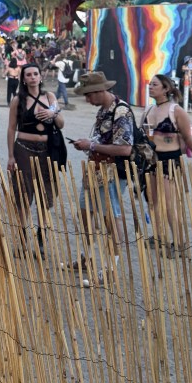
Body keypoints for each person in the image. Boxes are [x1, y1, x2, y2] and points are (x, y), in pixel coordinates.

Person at [70, 70, 133, 286]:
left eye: (88, 95)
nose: (87, 100)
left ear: (99, 91)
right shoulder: (103, 110)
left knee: (110, 218)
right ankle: (87, 258)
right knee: (85, 211)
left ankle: (111, 269)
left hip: (112, 171)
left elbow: (124, 149)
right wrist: (88, 144)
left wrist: (92, 145)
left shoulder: (121, 110)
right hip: (95, 167)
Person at [142, 74, 192, 255]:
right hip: (151, 161)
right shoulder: (148, 110)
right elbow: (145, 137)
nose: (150, 87)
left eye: (154, 84)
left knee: (170, 205)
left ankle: (179, 243)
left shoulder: (176, 111)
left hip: (170, 161)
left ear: (166, 88)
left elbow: (187, 137)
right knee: (152, 202)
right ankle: (159, 236)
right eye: (150, 84)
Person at [7, 63, 64, 257]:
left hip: (46, 151)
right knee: (23, 195)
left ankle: (40, 241)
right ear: (23, 79)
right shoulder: (18, 100)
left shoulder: (50, 97)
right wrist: (10, 156)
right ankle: (22, 243)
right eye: (28, 75)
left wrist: (52, 112)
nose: (32, 77)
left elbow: (61, 124)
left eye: (35, 74)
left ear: (41, 77)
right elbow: (11, 128)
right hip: (23, 148)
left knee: (45, 195)